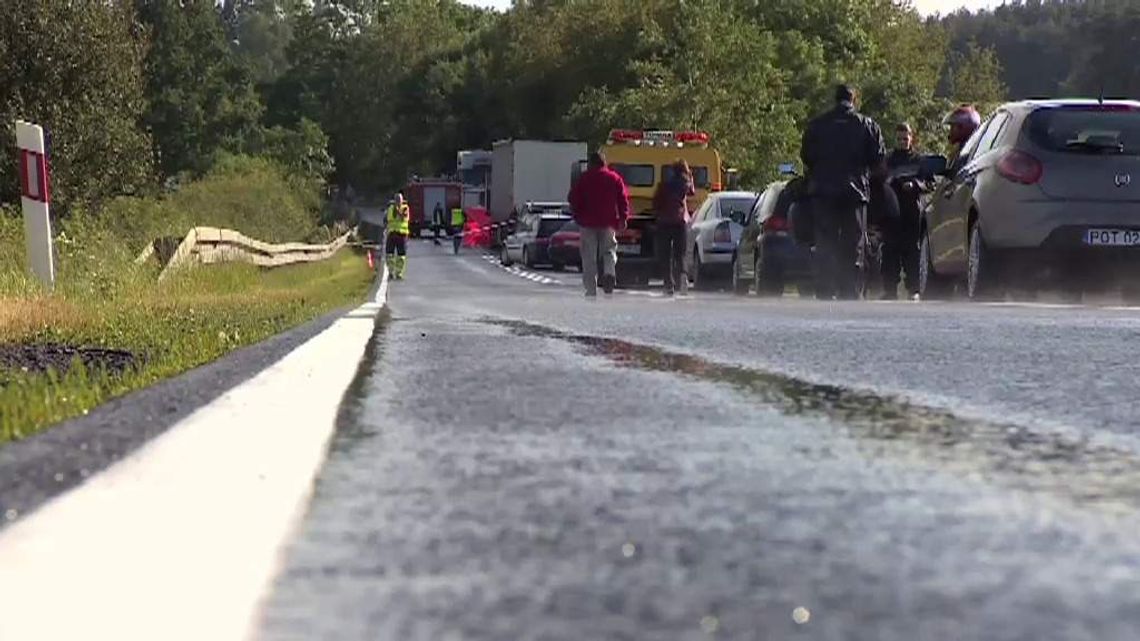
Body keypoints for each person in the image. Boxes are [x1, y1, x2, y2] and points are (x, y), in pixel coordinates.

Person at [800, 84, 886, 300]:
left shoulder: (817, 125)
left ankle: (824, 288)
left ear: (835, 99)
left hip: (823, 191)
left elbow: (807, 155)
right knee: (853, 242)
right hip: (854, 193)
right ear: (853, 99)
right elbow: (878, 158)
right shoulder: (867, 125)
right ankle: (850, 289)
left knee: (825, 241)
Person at [568, 150, 630, 297]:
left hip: (587, 223)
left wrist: (576, 214)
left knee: (589, 256)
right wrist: (623, 218)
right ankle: (609, 272)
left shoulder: (584, 179)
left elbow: (573, 198)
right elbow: (623, 199)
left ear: (591, 163)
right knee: (609, 250)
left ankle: (591, 288)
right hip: (608, 222)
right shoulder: (615, 178)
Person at [880, 123, 924, 300]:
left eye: (905, 138)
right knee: (889, 252)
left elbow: (929, 182)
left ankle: (914, 289)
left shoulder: (918, 161)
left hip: (911, 213)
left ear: (911, 138)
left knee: (912, 252)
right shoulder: (887, 160)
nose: (902, 142)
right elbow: (878, 181)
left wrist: (915, 185)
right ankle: (889, 290)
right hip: (891, 213)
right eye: (899, 139)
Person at [653, 159, 696, 296]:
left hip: (664, 222)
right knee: (681, 253)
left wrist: (658, 213)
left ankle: (668, 284)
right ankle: (683, 279)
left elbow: (656, 202)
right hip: (680, 222)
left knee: (665, 255)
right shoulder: (685, 184)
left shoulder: (664, 185)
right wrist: (690, 177)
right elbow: (692, 192)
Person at [944, 104, 981, 172]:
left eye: (953, 127)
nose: (950, 131)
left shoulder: (967, 155)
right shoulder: (961, 150)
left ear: (964, 127)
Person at [385, 193, 411, 280]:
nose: (398, 201)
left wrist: (398, 210)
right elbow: (388, 219)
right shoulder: (390, 208)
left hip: (402, 234)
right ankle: (391, 272)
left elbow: (403, 217)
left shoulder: (405, 208)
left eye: (399, 200)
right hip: (392, 233)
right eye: (396, 200)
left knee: (401, 255)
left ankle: (399, 273)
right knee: (389, 254)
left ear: (402, 200)